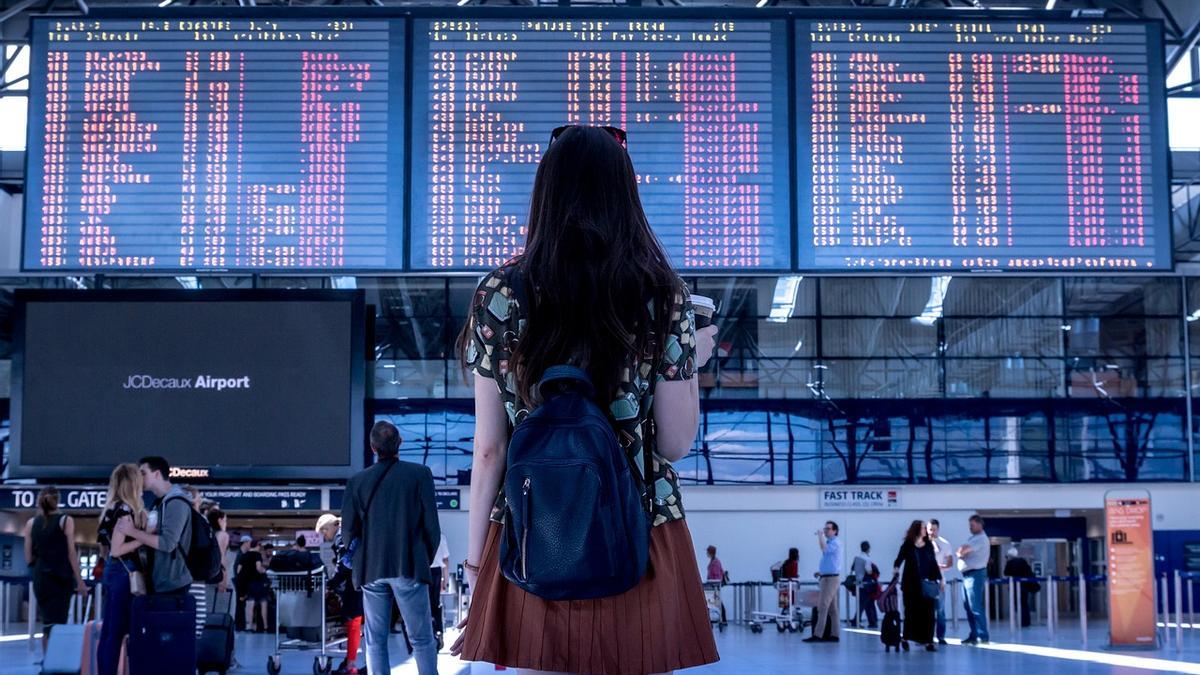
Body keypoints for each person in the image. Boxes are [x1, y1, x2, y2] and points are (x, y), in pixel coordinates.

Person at [451, 125, 721, 674]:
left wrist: (477, 564)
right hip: (641, 529)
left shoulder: (499, 293)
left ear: (545, 193)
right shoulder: (662, 294)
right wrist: (691, 360)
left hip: (533, 529)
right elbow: (675, 442)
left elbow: (489, 449)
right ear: (625, 195)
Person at [342, 421, 441, 675]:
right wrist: (423, 558)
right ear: (400, 444)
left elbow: (348, 532)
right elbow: (432, 527)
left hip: (370, 570)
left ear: (373, 447)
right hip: (409, 566)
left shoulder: (357, 481)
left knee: (375, 640)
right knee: (421, 638)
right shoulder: (420, 474)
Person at [117, 458, 196, 604]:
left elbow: (167, 543)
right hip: (161, 582)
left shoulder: (176, 503)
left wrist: (132, 532)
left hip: (172, 584)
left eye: (143, 473)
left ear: (157, 474)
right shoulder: (160, 503)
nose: (139, 477)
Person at [96, 464, 148, 675]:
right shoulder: (125, 511)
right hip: (124, 574)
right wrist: (143, 538)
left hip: (112, 571)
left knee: (109, 631)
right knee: (117, 633)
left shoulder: (110, 509)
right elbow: (117, 550)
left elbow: (105, 548)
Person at [23, 486, 89, 652]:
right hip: (61, 577)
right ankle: (55, 659)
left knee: (47, 622)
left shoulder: (31, 523)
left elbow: (28, 558)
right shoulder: (65, 520)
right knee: (58, 622)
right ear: (58, 500)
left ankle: (48, 660)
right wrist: (80, 582)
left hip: (41, 578)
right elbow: (71, 553)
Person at [317, 515, 364, 675]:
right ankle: (351, 662)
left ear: (329, 527)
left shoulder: (341, 536)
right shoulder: (350, 531)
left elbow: (344, 563)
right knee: (357, 622)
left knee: (353, 621)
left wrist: (331, 584)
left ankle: (351, 665)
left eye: (324, 532)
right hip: (362, 580)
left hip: (354, 584)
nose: (325, 537)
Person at [892, 520, 943, 652]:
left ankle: (928, 641)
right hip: (910, 584)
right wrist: (896, 569)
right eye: (923, 528)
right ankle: (905, 638)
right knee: (910, 612)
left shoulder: (928, 545)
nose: (925, 530)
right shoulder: (908, 544)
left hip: (926, 583)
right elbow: (899, 559)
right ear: (917, 530)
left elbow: (933, 563)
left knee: (929, 613)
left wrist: (939, 579)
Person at [804, 520, 841, 643]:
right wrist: (821, 572)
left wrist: (820, 537)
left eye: (828, 529)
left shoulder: (835, 543)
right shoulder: (830, 543)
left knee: (822, 606)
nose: (825, 531)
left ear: (835, 531)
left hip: (831, 579)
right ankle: (835, 635)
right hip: (827, 577)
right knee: (832, 609)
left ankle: (818, 635)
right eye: (825, 529)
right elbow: (831, 562)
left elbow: (824, 549)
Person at [957, 514, 991, 645]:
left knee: (975, 606)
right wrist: (961, 552)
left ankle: (983, 636)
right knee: (968, 607)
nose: (970, 528)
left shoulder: (980, 539)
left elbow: (962, 550)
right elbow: (960, 550)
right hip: (967, 576)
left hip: (975, 575)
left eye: (972, 525)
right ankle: (974, 634)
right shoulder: (973, 538)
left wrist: (961, 553)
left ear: (980, 525)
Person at [929, 518, 956, 645]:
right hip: (925, 582)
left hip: (939, 581)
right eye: (930, 529)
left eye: (934, 530)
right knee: (925, 610)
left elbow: (950, 563)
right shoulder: (921, 544)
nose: (932, 532)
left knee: (940, 611)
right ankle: (925, 636)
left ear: (938, 529)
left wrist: (939, 567)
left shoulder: (945, 544)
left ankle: (940, 636)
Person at [235, 540, 270, 632]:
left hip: (248, 583)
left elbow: (238, 570)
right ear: (257, 546)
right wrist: (264, 571)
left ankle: (249, 626)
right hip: (258, 582)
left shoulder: (244, 555)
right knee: (263, 603)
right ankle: (265, 626)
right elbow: (258, 568)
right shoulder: (257, 555)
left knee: (250, 604)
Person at [1003, 547, 1039, 628]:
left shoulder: (1010, 563)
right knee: (1024, 603)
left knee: (1017, 604)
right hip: (1024, 586)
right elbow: (1029, 571)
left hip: (1014, 587)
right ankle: (1026, 622)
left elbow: (1006, 573)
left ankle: (1020, 620)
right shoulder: (1023, 561)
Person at [206, 509, 231, 614]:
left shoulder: (209, 533)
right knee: (218, 608)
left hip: (207, 572)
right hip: (217, 573)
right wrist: (224, 577)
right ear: (219, 520)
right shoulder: (223, 535)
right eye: (225, 520)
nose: (226, 523)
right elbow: (221, 556)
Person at [429, 534, 450, 650]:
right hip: (436, 573)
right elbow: (445, 560)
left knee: (423, 606)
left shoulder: (417, 532)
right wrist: (445, 580)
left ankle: (429, 635)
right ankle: (438, 631)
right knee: (435, 605)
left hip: (421, 572)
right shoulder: (440, 536)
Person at [850, 541, 878, 629]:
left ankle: (872, 621)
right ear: (868, 548)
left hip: (858, 581)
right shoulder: (867, 558)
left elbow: (853, 569)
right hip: (866, 582)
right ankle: (857, 621)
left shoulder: (857, 557)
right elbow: (869, 571)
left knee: (865, 602)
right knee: (864, 603)